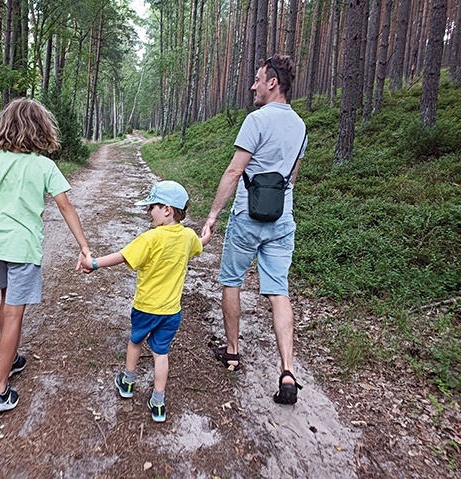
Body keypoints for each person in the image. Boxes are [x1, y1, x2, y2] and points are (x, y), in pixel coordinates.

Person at [0, 98, 91, 412]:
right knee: (15, 312)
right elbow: (65, 206)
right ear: (41, 129)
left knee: (6, 302)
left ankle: (11, 357)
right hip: (23, 248)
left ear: (6, 127)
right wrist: (83, 245)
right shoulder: (44, 165)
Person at [201, 54, 308, 405]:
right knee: (279, 291)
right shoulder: (301, 127)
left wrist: (213, 214)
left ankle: (232, 351)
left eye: (258, 79)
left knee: (232, 280)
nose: (253, 86)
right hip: (282, 219)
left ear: (272, 82)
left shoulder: (256, 120)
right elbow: (291, 178)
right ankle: (288, 371)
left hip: (247, 216)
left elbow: (234, 172)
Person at [81, 181, 211, 422]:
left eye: (152, 207)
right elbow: (199, 244)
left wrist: (94, 263)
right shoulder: (187, 237)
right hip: (172, 311)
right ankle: (158, 403)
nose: (149, 212)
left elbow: (122, 256)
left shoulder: (150, 238)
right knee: (161, 353)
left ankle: (128, 383)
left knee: (135, 342)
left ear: (167, 210)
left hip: (145, 307)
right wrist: (206, 236)